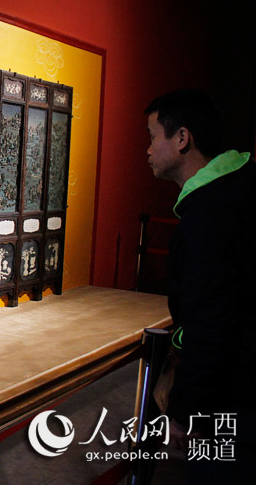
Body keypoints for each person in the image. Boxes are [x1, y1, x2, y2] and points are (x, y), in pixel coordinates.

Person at [145, 89, 255, 482]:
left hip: (235, 398)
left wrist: (185, 411)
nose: (148, 149)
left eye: (153, 136)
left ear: (182, 138)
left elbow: (211, 323)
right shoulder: (238, 191)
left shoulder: (210, 216)